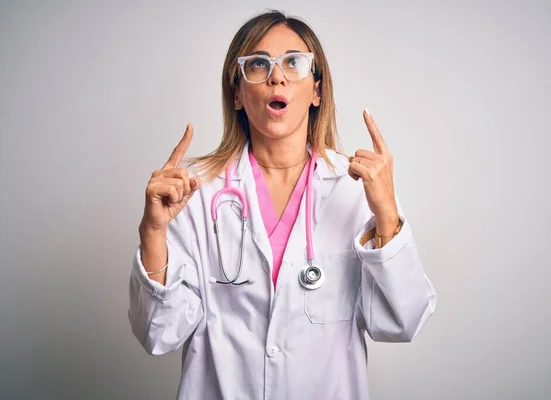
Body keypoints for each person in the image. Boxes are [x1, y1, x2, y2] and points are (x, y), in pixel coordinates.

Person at [128, 9, 436, 400]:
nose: (277, 75)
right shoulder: (195, 192)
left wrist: (387, 214)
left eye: (295, 62)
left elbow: (403, 321)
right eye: (258, 64)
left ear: (317, 90)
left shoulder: (356, 187)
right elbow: (159, 332)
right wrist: (152, 231)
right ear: (237, 93)